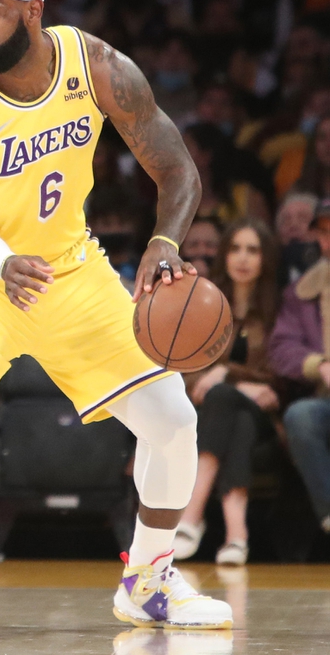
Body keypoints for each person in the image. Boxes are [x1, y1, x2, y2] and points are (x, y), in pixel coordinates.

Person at [0, 0, 232, 638]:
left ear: (33, 12)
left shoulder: (95, 66)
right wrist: (4, 262)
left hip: (73, 271)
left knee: (174, 420)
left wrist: (165, 241)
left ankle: (149, 580)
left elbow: (176, 166)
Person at [177, 219, 281, 566]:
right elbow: (186, 369)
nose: (243, 258)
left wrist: (226, 372)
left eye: (253, 250)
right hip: (213, 411)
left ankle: (192, 515)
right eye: (235, 248)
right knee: (234, 417)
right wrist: (236, 383)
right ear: (224, 255)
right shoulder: (205, 303)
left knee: (228, 400)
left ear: (266, 258)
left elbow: (279, 377)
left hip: (266, 415)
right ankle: (237, 536)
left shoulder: (278, 307)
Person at [270, 198, 330, 535]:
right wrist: (318, 366)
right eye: (324, 232)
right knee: (301, 416)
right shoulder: (301, 291)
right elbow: (281, 347)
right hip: (326, 399)